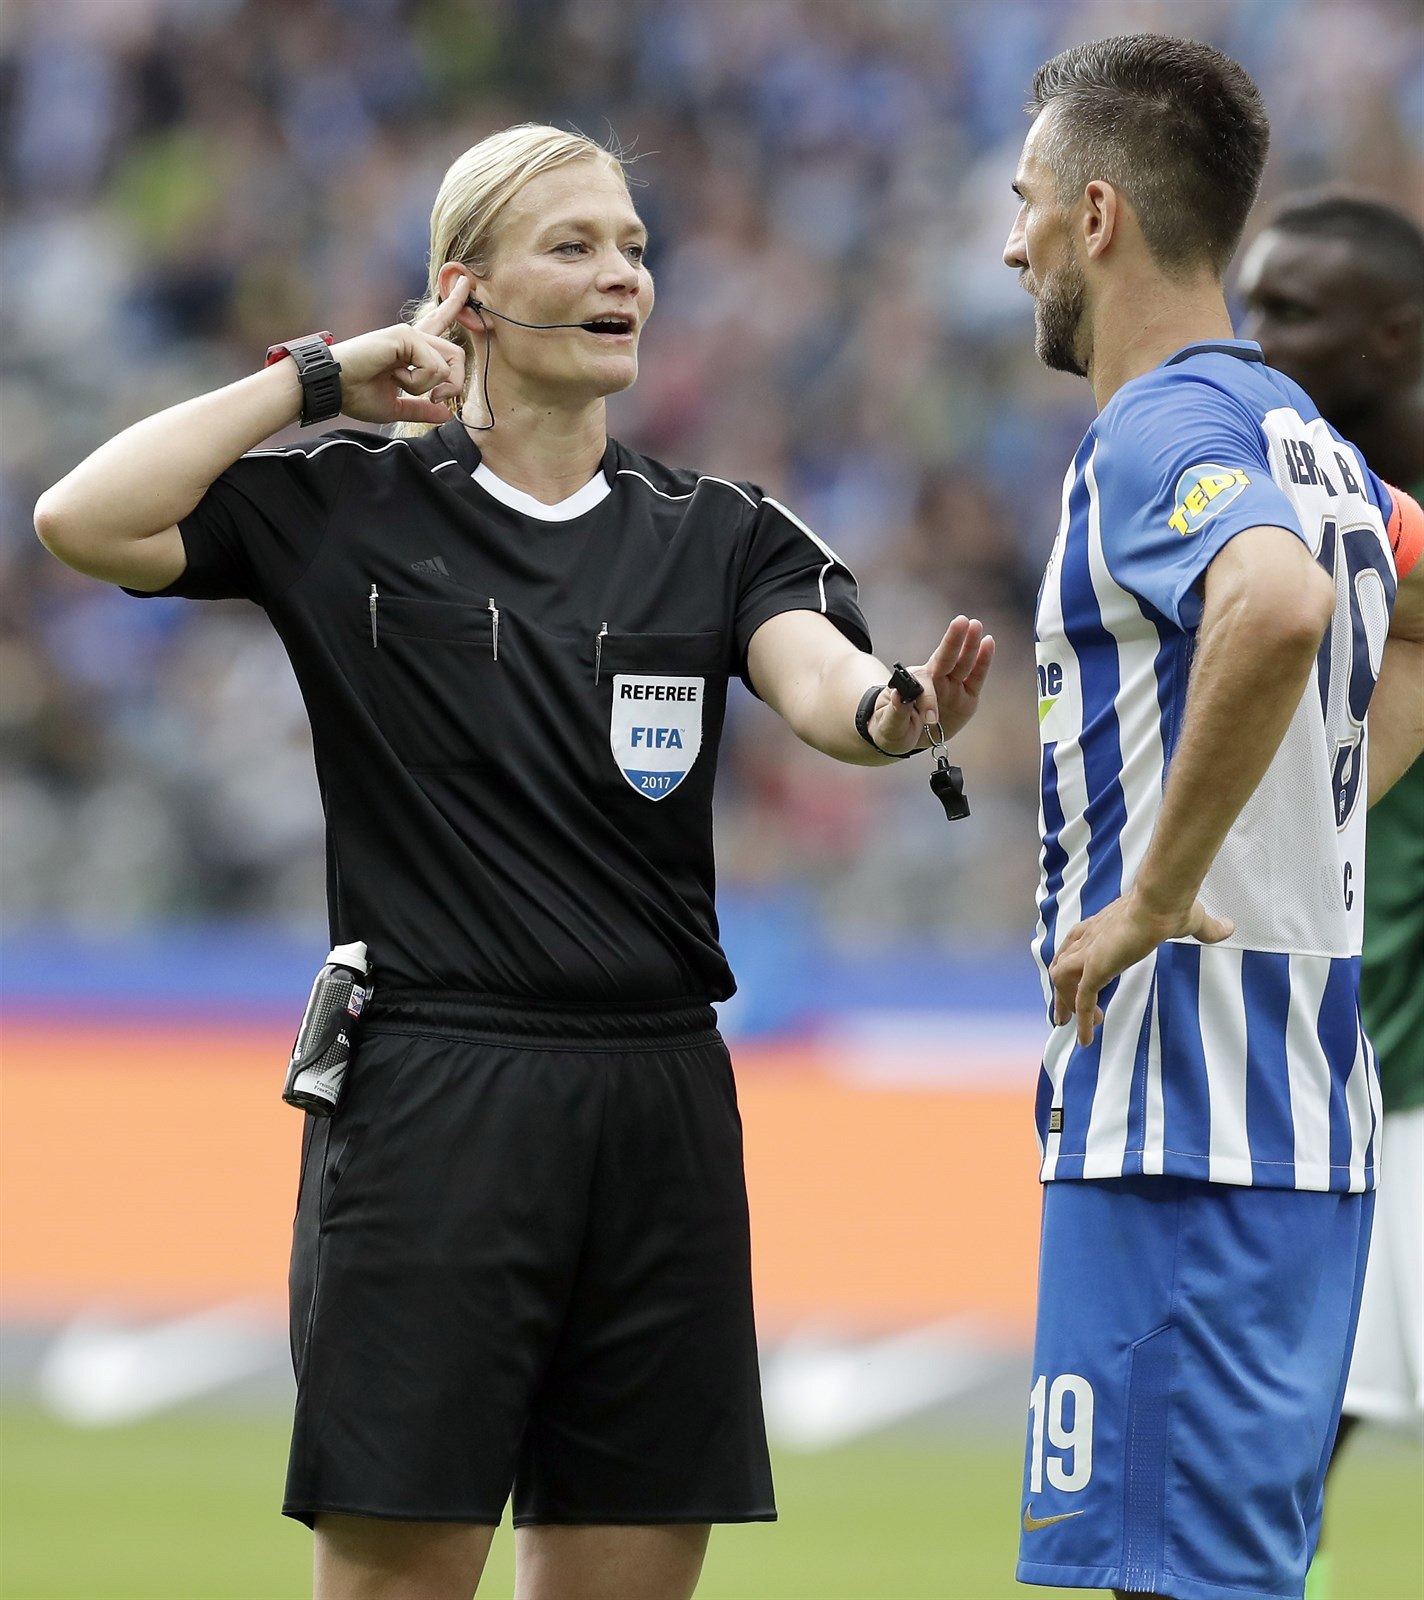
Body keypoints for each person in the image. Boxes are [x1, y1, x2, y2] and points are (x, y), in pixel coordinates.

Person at [32, 125, 993, 1600]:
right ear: (464, 291)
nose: (623, 277)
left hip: (659, 1099)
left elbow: (825, 684)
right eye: (576, 247)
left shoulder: (720, 531)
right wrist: (315, 380)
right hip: (433, 1092)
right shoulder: (346, 500)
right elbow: (81, 518)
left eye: (636, 249)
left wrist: (895, 711)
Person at [1001, 35, 1424, 1600]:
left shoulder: (1159, 432)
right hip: (1294, 1119)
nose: (1013, 243)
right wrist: (1310, 801)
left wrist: (1155, 885)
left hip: (1187, 1130)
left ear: (1098, 215)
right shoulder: (1317, 447)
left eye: (1027, 201)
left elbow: (1276, 604)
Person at [1238, 192, 1424, 1600]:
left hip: (1407, 1071)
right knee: (1259, 1481)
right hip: (1340, 1064)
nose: (1256, 340)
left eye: (1291, 311)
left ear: (1396, 335)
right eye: (1250, 306)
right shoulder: (1296, 518)